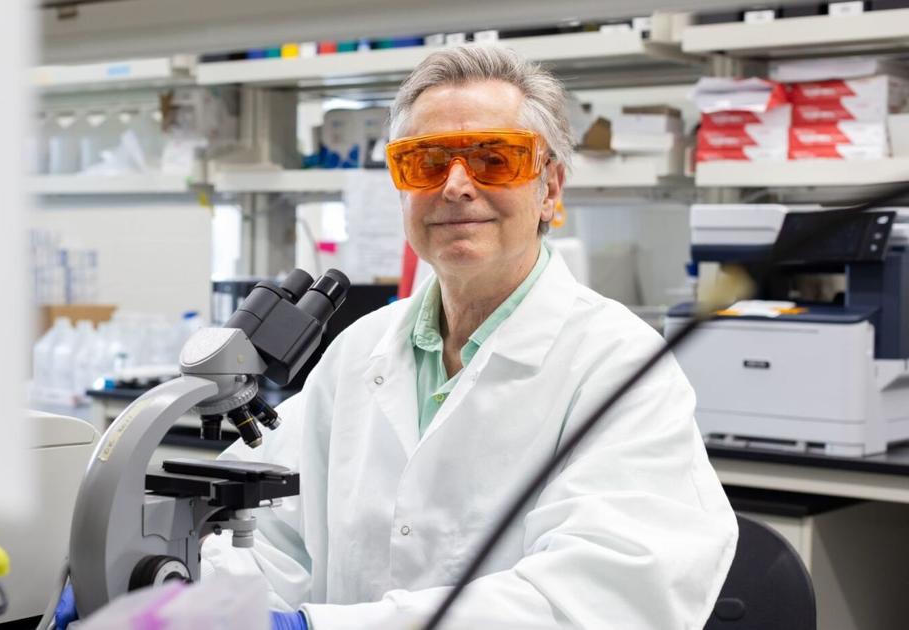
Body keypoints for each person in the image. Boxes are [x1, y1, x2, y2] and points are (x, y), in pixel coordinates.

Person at [200, 44, 738, 629]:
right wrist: (190, 596)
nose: (455, 185)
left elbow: (602, 596)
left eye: (494, 159)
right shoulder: (358, 352)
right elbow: (262, 533)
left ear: (550, 189)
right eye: (426, 162)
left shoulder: (621, 366)